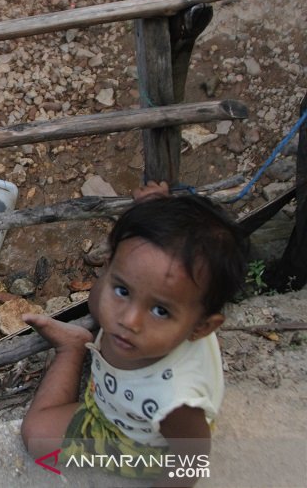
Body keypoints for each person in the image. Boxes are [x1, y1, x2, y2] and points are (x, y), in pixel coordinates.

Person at [21, 181, 248, 485]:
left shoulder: (175, 402)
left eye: (160, 311)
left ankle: (72, 349)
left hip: (134, 438)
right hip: (119, 391)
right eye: (124, 289)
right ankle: (92, 330)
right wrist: (148, 211)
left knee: (37, 436)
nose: (129, 320)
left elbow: (192, 460)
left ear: (201, 327)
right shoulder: (161, 312)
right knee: (101, 300)